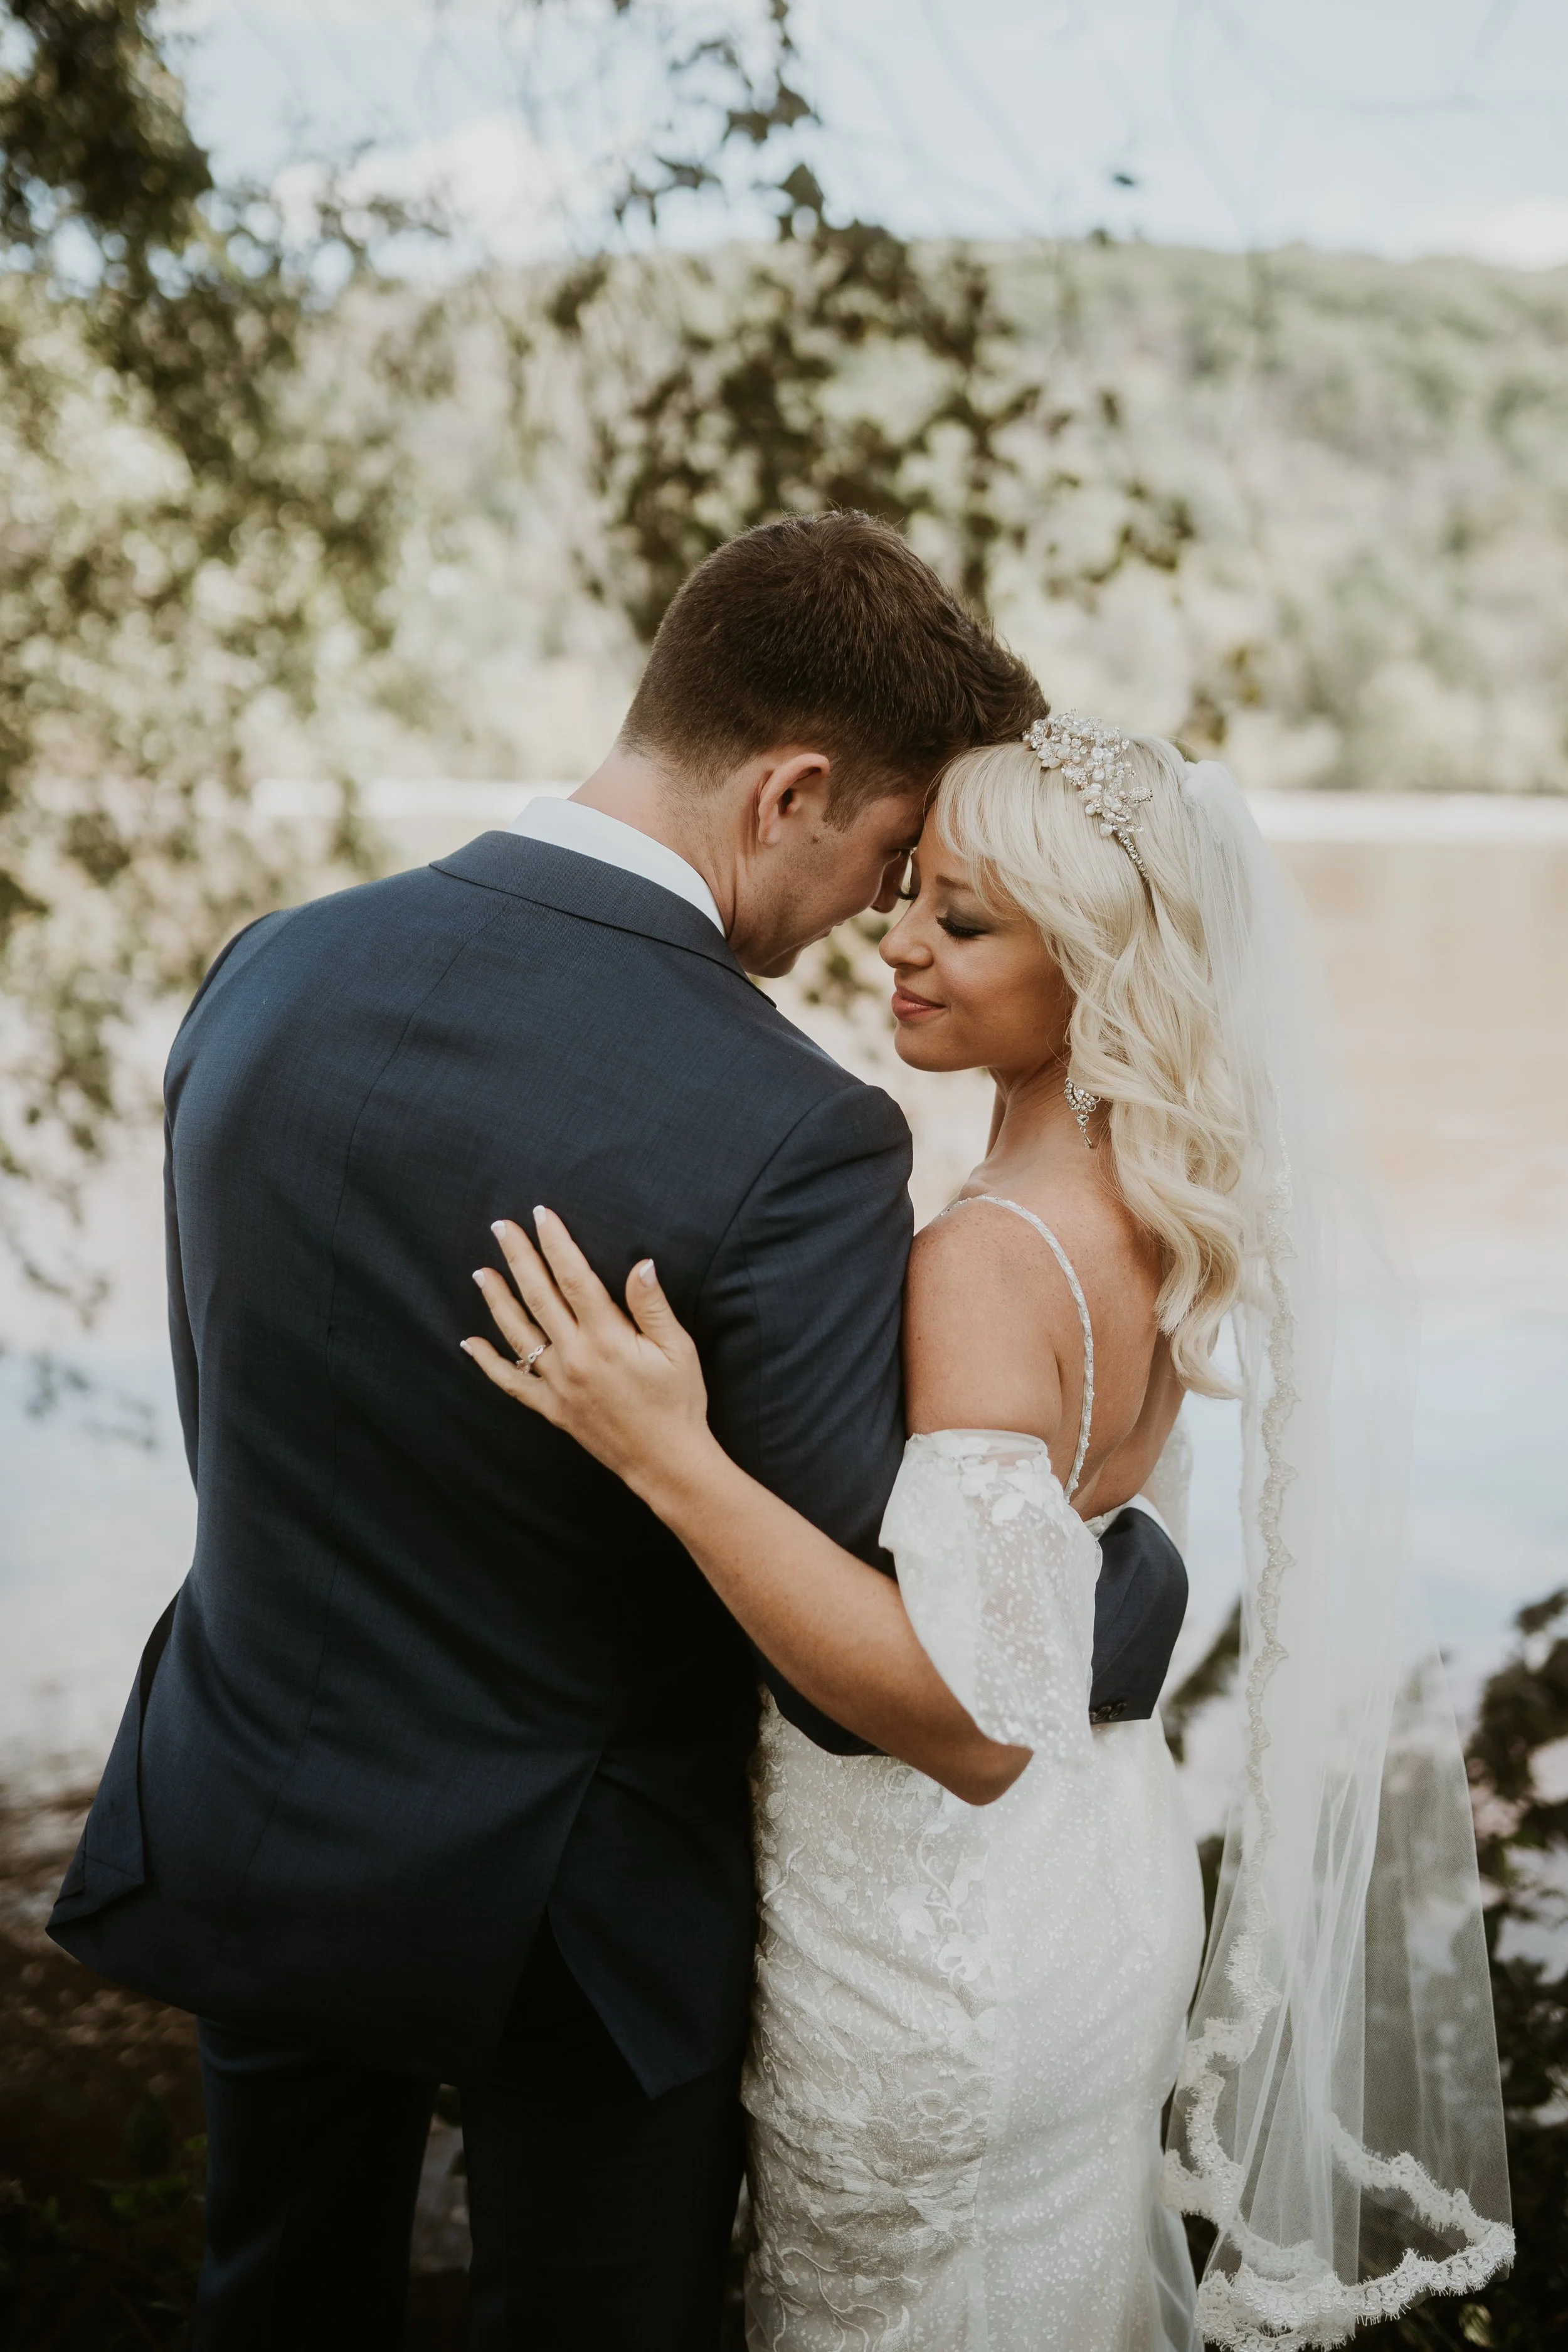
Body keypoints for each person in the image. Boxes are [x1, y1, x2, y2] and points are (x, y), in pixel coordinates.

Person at [47, 514, 1185, 2352]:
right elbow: (868, 1666)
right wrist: (1131, 1568)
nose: (872, 923)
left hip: (260, 1797)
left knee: (271, 2303)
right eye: (884, 858)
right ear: (788, 791)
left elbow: (234, 1396)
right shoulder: (791, 1132)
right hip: (578, 1910)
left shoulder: (267, 974)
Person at [465, 718, 1514, 2351]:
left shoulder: (989, 1259)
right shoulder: (1153, 1207)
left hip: (940, 1956)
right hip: (1095, 1890)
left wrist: (666, 1454)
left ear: (1095, 973)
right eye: (910, 897)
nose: (897, 944)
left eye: (962, 923)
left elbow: (970, 1719)